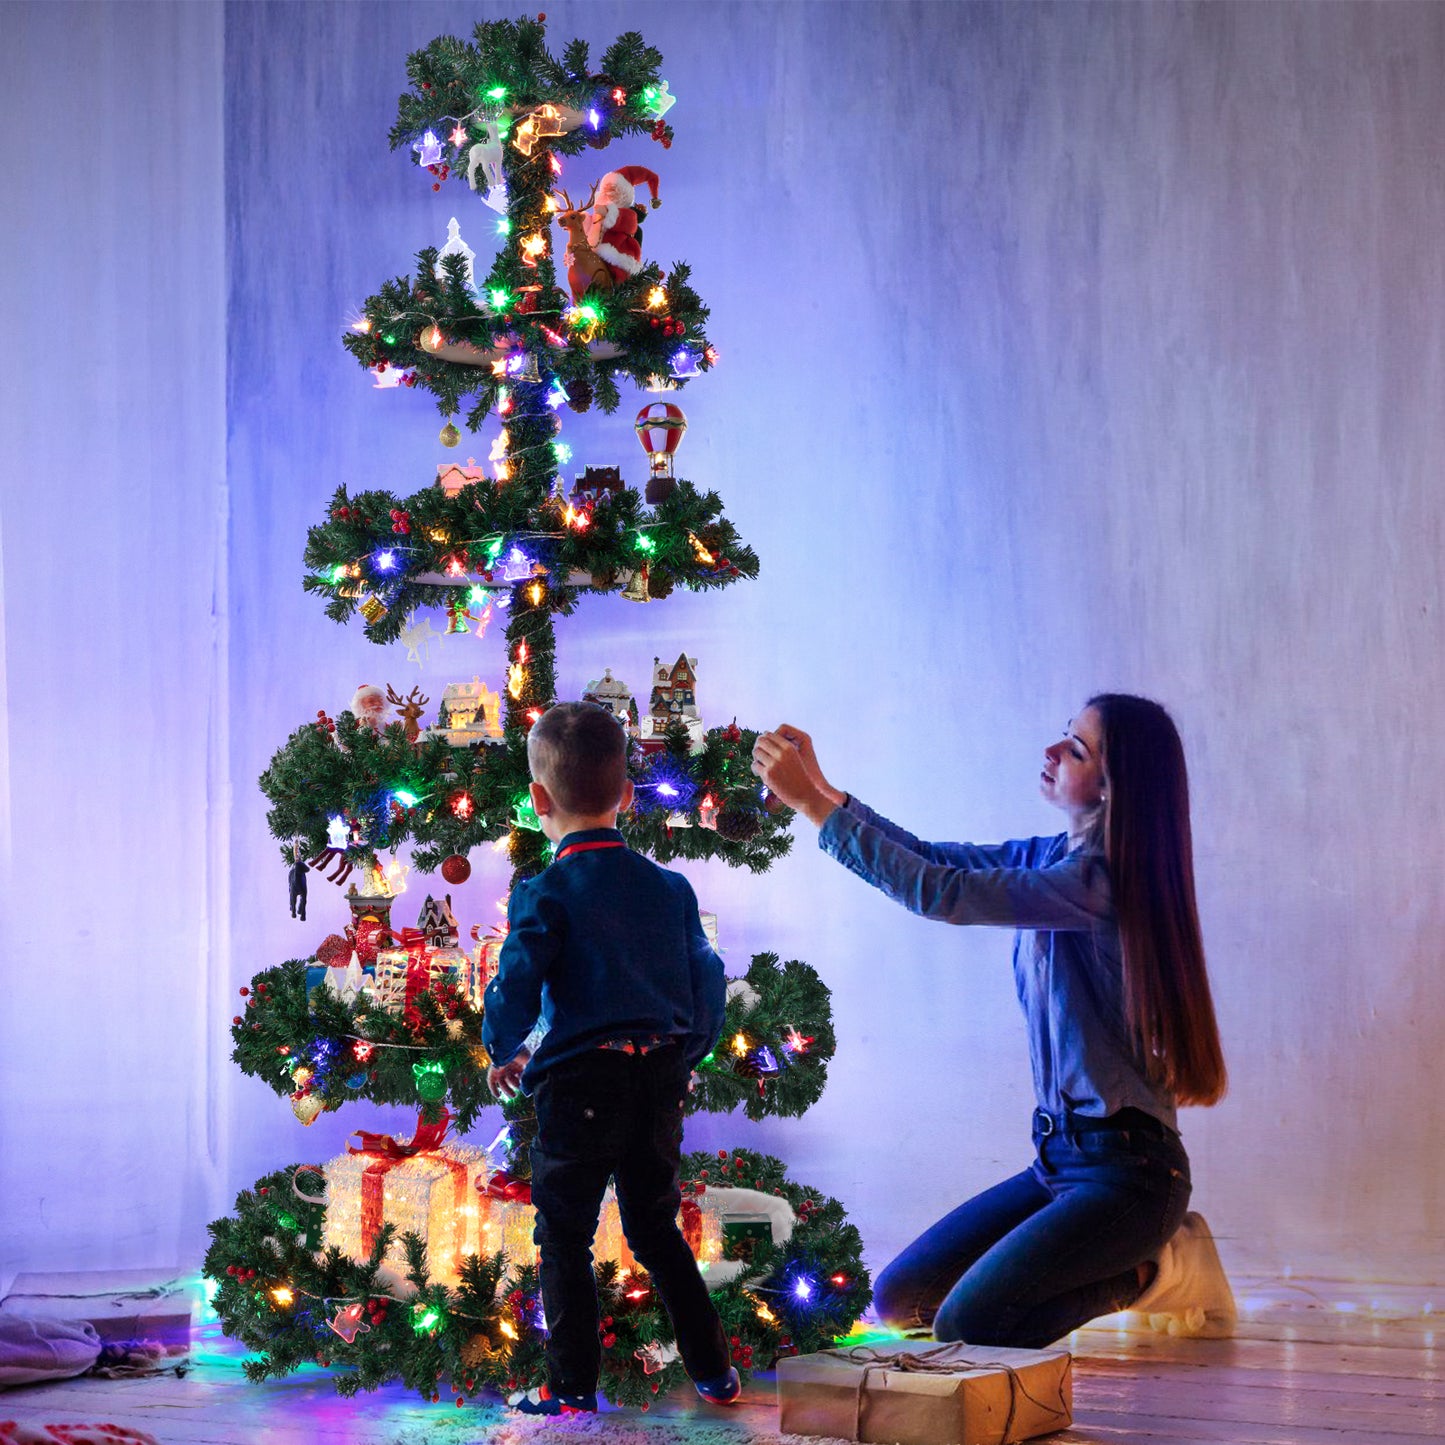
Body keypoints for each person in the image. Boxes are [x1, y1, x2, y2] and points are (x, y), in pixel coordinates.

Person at [751, 694, 1233, 1348]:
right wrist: (826, 791)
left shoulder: (1100, 881)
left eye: (1076, 748)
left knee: (969, 1323)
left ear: (1111, 787)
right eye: (1063, 734)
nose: (1050, 751)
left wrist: (809, 806)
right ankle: (1138, 1256)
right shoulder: (1049, 858)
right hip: (1057, 1158)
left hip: (1129, 1174)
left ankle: (1158, 1268)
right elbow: (932, 860)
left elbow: (939, 893)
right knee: (901, 1299)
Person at [482, 701, 741, 1415]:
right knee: (655, 1227)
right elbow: (707, 979)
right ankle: (714, 1370)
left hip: (578, 1082)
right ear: (628, 793)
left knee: (563, 1233)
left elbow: (516, 981)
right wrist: (684, 1052)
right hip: (657, 1073)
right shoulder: (670, 888)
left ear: (537, 802)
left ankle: (569, 1386)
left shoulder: (543, 891)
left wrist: (501, 1046)